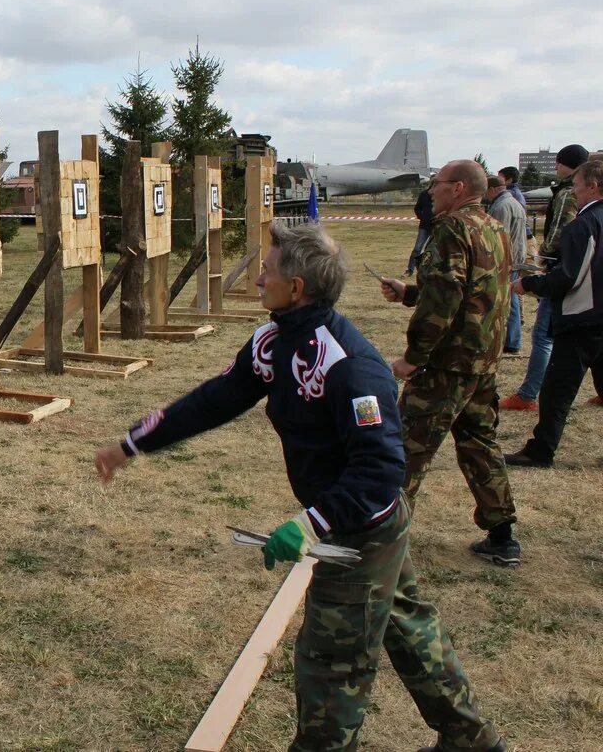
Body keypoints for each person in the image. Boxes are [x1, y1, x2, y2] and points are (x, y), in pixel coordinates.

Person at [94, 221, 505, 752]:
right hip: (354, 522)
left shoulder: (352, 368)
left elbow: (380, 475)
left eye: (267, 272)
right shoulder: (276, 338)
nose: (258, 280)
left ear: (298, 288)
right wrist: (131, 445)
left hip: (361, 532)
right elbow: (217, 398)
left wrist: (309, 522)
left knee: (331, 664)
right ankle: (472, 741)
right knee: (407, 627)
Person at [378, 160, 519, 566]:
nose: (431, 191)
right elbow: (471, 290)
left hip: (446, 366)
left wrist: (413, 357)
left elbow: (445, 299)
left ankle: (382, 540)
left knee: (404, 449)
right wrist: (408, 293)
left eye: (436, 184)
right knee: (479, 444)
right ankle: (502, 534)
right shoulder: (492, 227)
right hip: (482, 363)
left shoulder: (451, 229)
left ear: (457, 188)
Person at [506, 159, 603, 466]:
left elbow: (568, 278)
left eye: (576, 185)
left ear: (593, 186)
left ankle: (540, 451)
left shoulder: (582, 226)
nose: (573, 191)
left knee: (556, 391)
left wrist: (531, 283)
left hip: (582, 320)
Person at [501, 144, 588, 411]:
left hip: (561, 270)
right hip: (584, 271)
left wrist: (544, 262)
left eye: (559, 163)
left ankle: (528, 395)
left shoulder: (566, 194)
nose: (557, 168)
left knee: (543, 336)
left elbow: (558, 233)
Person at [485, 174, 526, 354]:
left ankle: (510, 340)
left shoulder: (501, 207)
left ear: (493, 189)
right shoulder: (516, 203)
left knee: (507, 300)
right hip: (516, 257)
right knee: (512, 298)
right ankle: (512, 340)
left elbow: (498, 236)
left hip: (506, 260)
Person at [406, 185, 434, 276]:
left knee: (433, 250)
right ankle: (410, 270)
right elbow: (417, 208)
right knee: (417, 248)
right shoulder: (423, 194)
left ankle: (429, 271)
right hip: (424, 227)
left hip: (436, 226)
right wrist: (422, 217)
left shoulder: (442, 195)